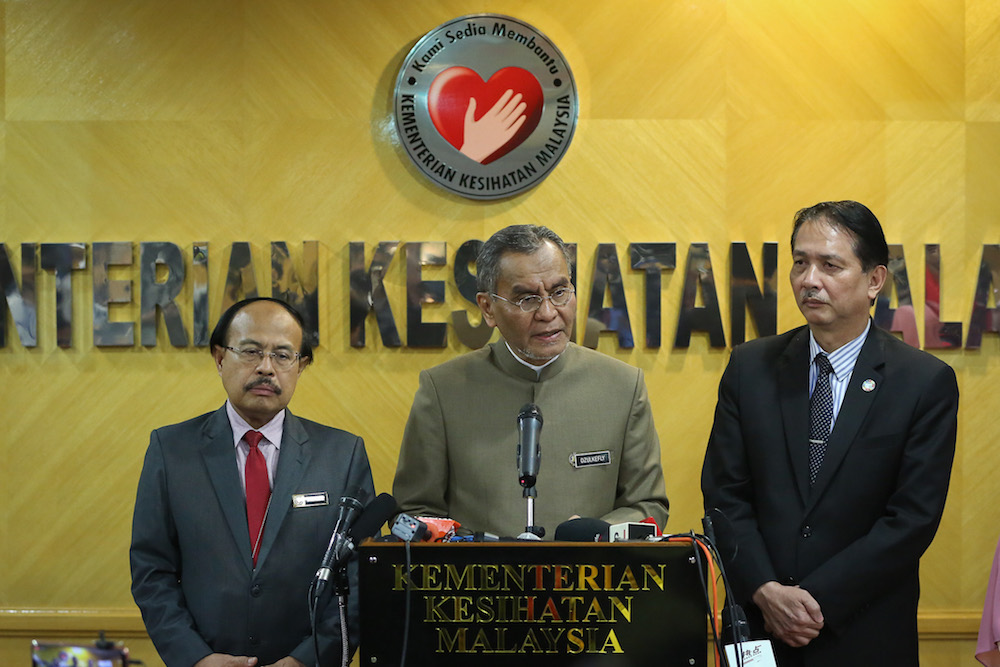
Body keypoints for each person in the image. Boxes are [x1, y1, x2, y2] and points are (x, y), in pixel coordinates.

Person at [702, 201, 959, 665]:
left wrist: (813, 602)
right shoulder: (749, 368)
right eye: (800, 262)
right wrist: (765, 591)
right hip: (762, 630)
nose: (809, 279)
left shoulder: (923, 383)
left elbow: (911, 520)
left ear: (875, 280)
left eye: (830, 265)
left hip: (864, 632)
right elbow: (725, 495)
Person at [130, 297, 375, 667]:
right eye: (251, 351)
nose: (266, 368)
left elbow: (360, 578)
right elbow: (152, 571)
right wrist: (195, 658)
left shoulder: (342, 455)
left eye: (282, 355)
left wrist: (307, 659)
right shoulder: (171, 450)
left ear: (301, 365)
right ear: (219, 357)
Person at [393, 224, 668, 537]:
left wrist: (596, 535)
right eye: (527, 299)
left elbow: (649, 505)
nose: (548, 312)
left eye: (559, 292)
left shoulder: (622, 386)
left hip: (590, 580)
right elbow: (415, 513)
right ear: (488, 308)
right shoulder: (442, 390)